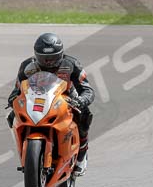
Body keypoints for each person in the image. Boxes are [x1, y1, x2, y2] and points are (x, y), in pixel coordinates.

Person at [7, 33, 95, 175]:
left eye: (52, 58)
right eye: (44, 58)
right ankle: (26, 153)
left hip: (66, 100)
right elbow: (17, 89)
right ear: (37, 55)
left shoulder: (72, 64)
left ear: (60, 54)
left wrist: (81, 100)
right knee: (12, 116)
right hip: (36, 99)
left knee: (84, 116)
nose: (48, 62)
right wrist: (12, 99)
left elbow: (87, 89)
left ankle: (81, 156)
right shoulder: (27, 66)